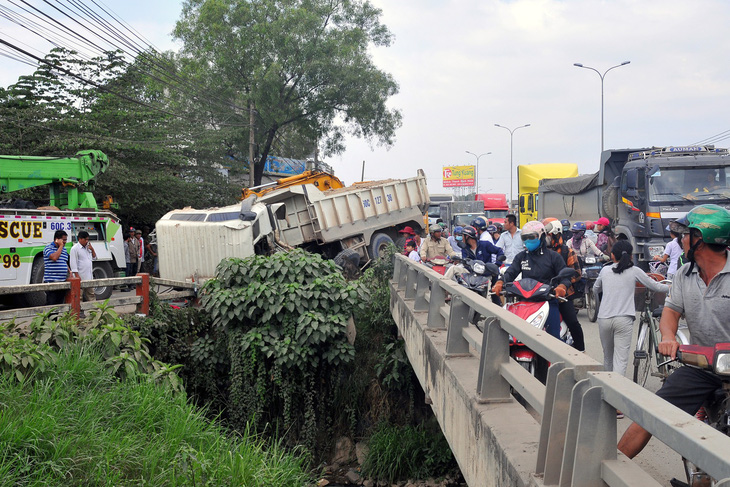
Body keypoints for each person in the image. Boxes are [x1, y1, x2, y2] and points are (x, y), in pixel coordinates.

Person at [618, 204, 730, 458]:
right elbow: (671, 312)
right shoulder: (683, 274)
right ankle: (606, 473)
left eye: (686, 235)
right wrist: (668, 336)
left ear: (700, 239)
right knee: (651, 413)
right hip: (702, 366)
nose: (681, 240)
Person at [593, 240, 669, 384]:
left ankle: (606, 388)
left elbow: (596, 289)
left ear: (613, 255)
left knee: (608, 357)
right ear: (630, 255)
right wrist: (673, 287)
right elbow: (656, 286)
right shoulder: (634, 271)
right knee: (620, 360)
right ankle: (617, 393)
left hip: (604, 318)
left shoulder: (605, 270)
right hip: (624, 319)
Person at [491, 220, 571, 339]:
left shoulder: (553, 257)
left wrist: (562, 287)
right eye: (525, 238)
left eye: (532, 237)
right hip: (524, 301)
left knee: (554, 338)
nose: (528, 241)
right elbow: (510, 272)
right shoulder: (521, 256)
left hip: (547, 302)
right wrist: (500, 282)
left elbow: (565, 277)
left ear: (542, 236)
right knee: (507, 335)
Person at [543, 219, 586, 352]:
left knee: (572, 322)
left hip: (564, 295)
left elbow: (577, 274)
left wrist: (562, 283)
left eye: (548, 236)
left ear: (556, 234)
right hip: (543, 293)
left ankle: (581, 351)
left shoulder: (568, 252)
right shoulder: (542, 252)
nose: (546, 239)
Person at [69, 230, 97, 303]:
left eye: (88, 239)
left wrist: (92, 249)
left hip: (89, 277)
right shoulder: (75, 249)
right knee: (79, 297)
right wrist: (77, 277)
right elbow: (73, 265)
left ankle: (94, 312)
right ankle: (80, 313)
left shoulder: (88, 247)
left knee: (91, 295)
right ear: (80, 239)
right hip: (80, 277)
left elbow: (94, 258)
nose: (87, 241)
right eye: (85, 239)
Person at [43, 230, 69, 305]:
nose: (65, 242)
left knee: (59, 305)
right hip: (52, 282)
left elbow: (64, 262)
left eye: (66, 240)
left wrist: (69, 272)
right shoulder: (48, 248)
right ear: (57, 239)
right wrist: (60, 246)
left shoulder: (64, 250)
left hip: (62, 281)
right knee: (51, 305)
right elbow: (54, 257)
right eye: (63, 240)